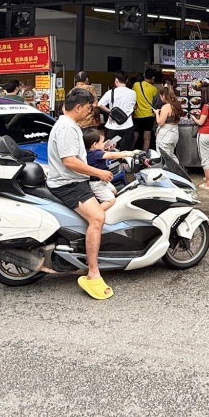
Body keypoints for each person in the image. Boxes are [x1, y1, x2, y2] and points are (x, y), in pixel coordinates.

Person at [45, 87, 116, 300]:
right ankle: (93, 273)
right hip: (69, 184)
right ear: (77, 107)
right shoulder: (66, 128)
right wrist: (99, 173)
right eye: (88, 108)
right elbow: (70, 161)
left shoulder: (69, 125)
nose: (90, 112)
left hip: (74, 182)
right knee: (98, 217)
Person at [82, 127, 135, 202]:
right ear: (94, 145)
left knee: (114, 192)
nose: (103, 144)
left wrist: (105, 146)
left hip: (102, 180)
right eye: (101, 142)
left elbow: (106, 152)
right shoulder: (96, 154)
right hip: (97, 184)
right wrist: (127, 154)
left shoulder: (91, 152)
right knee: (111, 200)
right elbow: (111, 155)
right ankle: (99, 211)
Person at [190, 85, 209, 190]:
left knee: (205, 158)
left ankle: (208, 183)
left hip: (204, 134)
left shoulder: (205, 106)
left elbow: (200, 122)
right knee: (208, 155)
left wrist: (194, 118)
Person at [98, 71, 136, 151]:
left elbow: (100, 104)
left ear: (116, 81)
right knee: (126, 152)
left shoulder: (110, 92)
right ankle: (124, 163)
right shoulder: (133, 93)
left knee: (110, 150)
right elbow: (132, 107)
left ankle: (112, 163)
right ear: (126, 80)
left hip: (112, 127)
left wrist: (110, 112)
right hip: (127, 126)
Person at [132, 68, 160, 152]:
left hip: (137, 114)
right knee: (147, 137)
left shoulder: (136, 85)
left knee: (135, 135)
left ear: (144, 75)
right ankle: (144, 156)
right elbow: (154, 102)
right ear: (153, 78)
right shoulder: (154, 89)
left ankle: (131, 153)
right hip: (149, 115)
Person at [154, 83, 182, 162]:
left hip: (166, 134)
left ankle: (168, 172)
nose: (160, 98)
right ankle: (177, 170)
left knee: (163, 155)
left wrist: (157, 113)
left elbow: (160, 122)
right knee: (170, 154)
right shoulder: (177, 105)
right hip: (174, 132)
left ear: (164, 96)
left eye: (161, 96)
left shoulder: (166, 107)